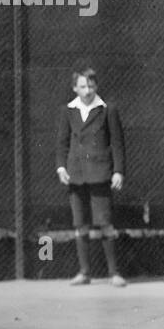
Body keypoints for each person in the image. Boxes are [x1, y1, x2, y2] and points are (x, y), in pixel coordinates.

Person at [55, 67, 126, 287]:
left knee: (105, 224)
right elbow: (62, 143)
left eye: (91, 86)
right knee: (80, 225)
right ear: (75, 88)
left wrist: (118, 171)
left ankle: (114, 273)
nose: (87, 91)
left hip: (100, 174)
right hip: (75, 175)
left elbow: (117, 143)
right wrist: (61, 168)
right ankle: (84, 273)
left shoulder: (107, 110)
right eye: (83, 87)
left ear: (97, 86)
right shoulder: (68, 111)